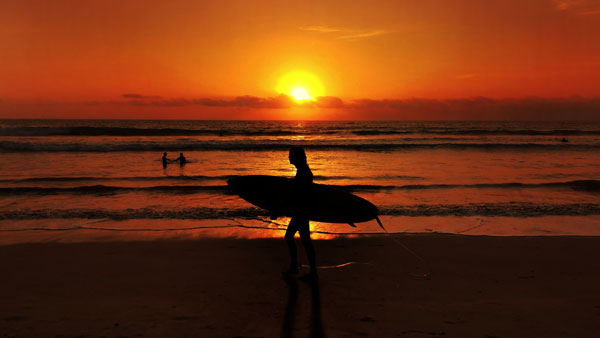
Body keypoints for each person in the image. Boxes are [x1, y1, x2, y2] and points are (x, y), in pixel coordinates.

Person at [284, 146, 317, 281]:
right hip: (302, 211)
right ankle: (305, 269)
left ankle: (297, 267)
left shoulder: (304, 173)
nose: (289, 157)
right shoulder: (303, 171)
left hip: (301, 212)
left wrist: (282, 209)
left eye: (291, 155)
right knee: (303, 240)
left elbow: (299, 196)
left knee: (292, 237)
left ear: (296, 157)